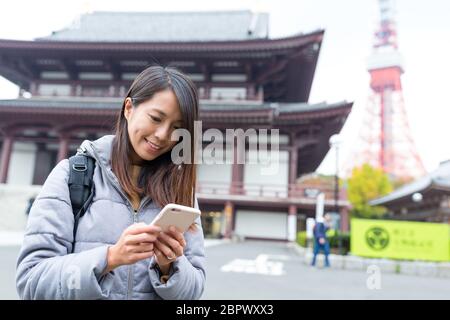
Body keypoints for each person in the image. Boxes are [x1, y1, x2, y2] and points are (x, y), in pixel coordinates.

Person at [15, 65, 205, 300]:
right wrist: (110, 257)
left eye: (177, 128)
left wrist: (170, 268)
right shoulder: (71, 176)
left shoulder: (181, 191)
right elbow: (31, 282)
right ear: (128, 108)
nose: (163, 135)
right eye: (156, 118)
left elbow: (194, 292)